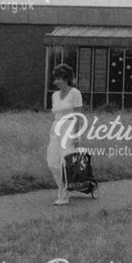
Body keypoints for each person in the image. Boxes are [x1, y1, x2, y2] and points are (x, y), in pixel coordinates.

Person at [47, 63, 83, 205]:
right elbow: (56, 114)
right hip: (56, 128)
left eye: (59, 79)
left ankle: (63, 194)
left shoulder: (75, 93)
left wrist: (76, 135)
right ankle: (64, 186)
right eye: (55, 79)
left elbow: (79, 116)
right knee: (52, 162)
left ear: (67, 78)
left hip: (70, 127)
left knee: (65, 162)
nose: (56, 82)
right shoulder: (55, 95)